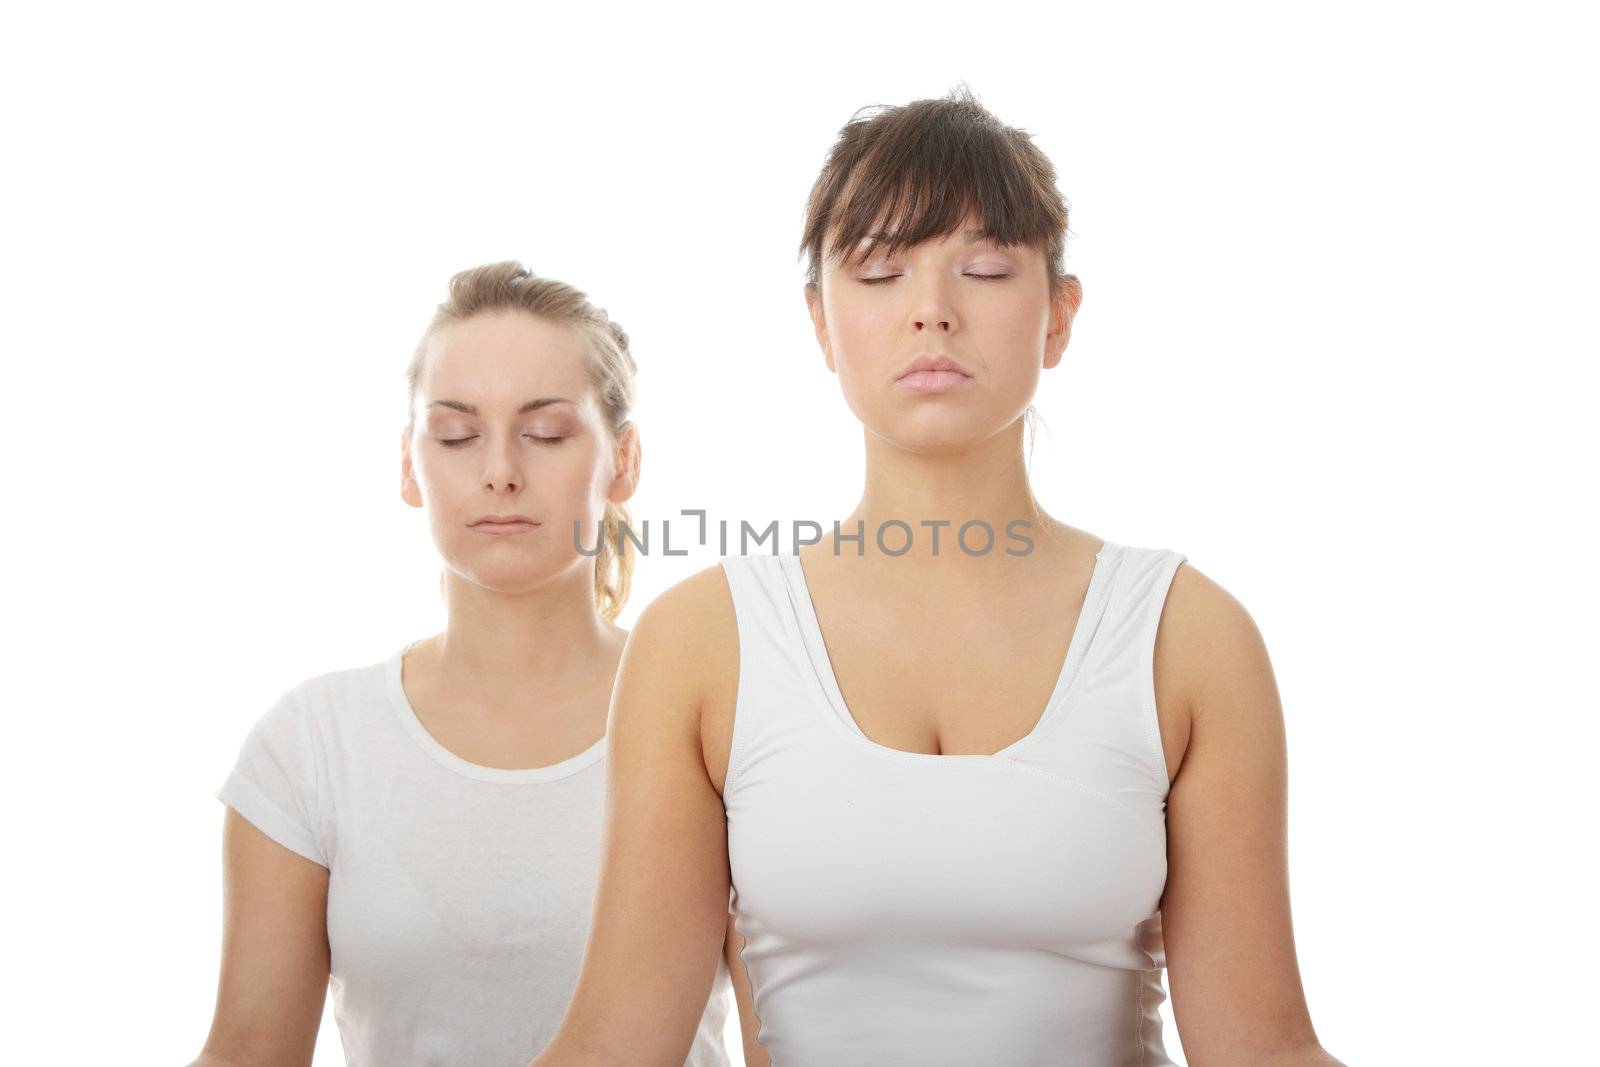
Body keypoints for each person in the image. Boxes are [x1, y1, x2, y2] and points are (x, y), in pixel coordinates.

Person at [530, 87, 1348, 1067]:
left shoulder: (1187, 636)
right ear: (821, 323)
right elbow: (617, 1041)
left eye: (986, 267)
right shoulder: (702, 642)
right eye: (880, 271)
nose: (931, 313)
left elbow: (1262, 1048)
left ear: (1057, 315)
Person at [188, 261, 747, 1066]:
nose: (499, 470)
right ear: (411, 465)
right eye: (455, 435)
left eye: (547, 432)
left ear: (622, 460)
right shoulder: (310, 745)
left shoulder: (712, 722)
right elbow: (249, 1049)